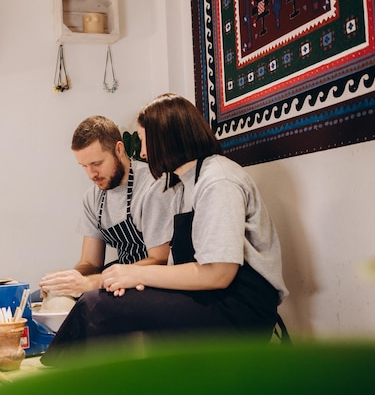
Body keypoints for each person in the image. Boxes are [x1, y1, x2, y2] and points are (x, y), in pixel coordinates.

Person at [40, 94, 288, 366]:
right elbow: (180, 263)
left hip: (240, 306)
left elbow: (219, 273)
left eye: (145, 141)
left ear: (168, 139)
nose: (143, 153)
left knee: (96, 305)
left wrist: (134, 272)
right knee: (102, 300)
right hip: (209, 294)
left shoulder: (218, 181)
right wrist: (131, 281)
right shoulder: (183, 184)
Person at [38, 115, 174, 299]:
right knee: (37, 299)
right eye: (84, 166)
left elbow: (160, 258)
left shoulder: (152, 186)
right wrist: (67, 281)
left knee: (89, 302)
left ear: (119, 149)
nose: (91, 174)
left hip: (152, 283)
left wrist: (93, 282)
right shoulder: (92, 198)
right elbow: (90, 262)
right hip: (117, 280)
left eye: (96, 164)